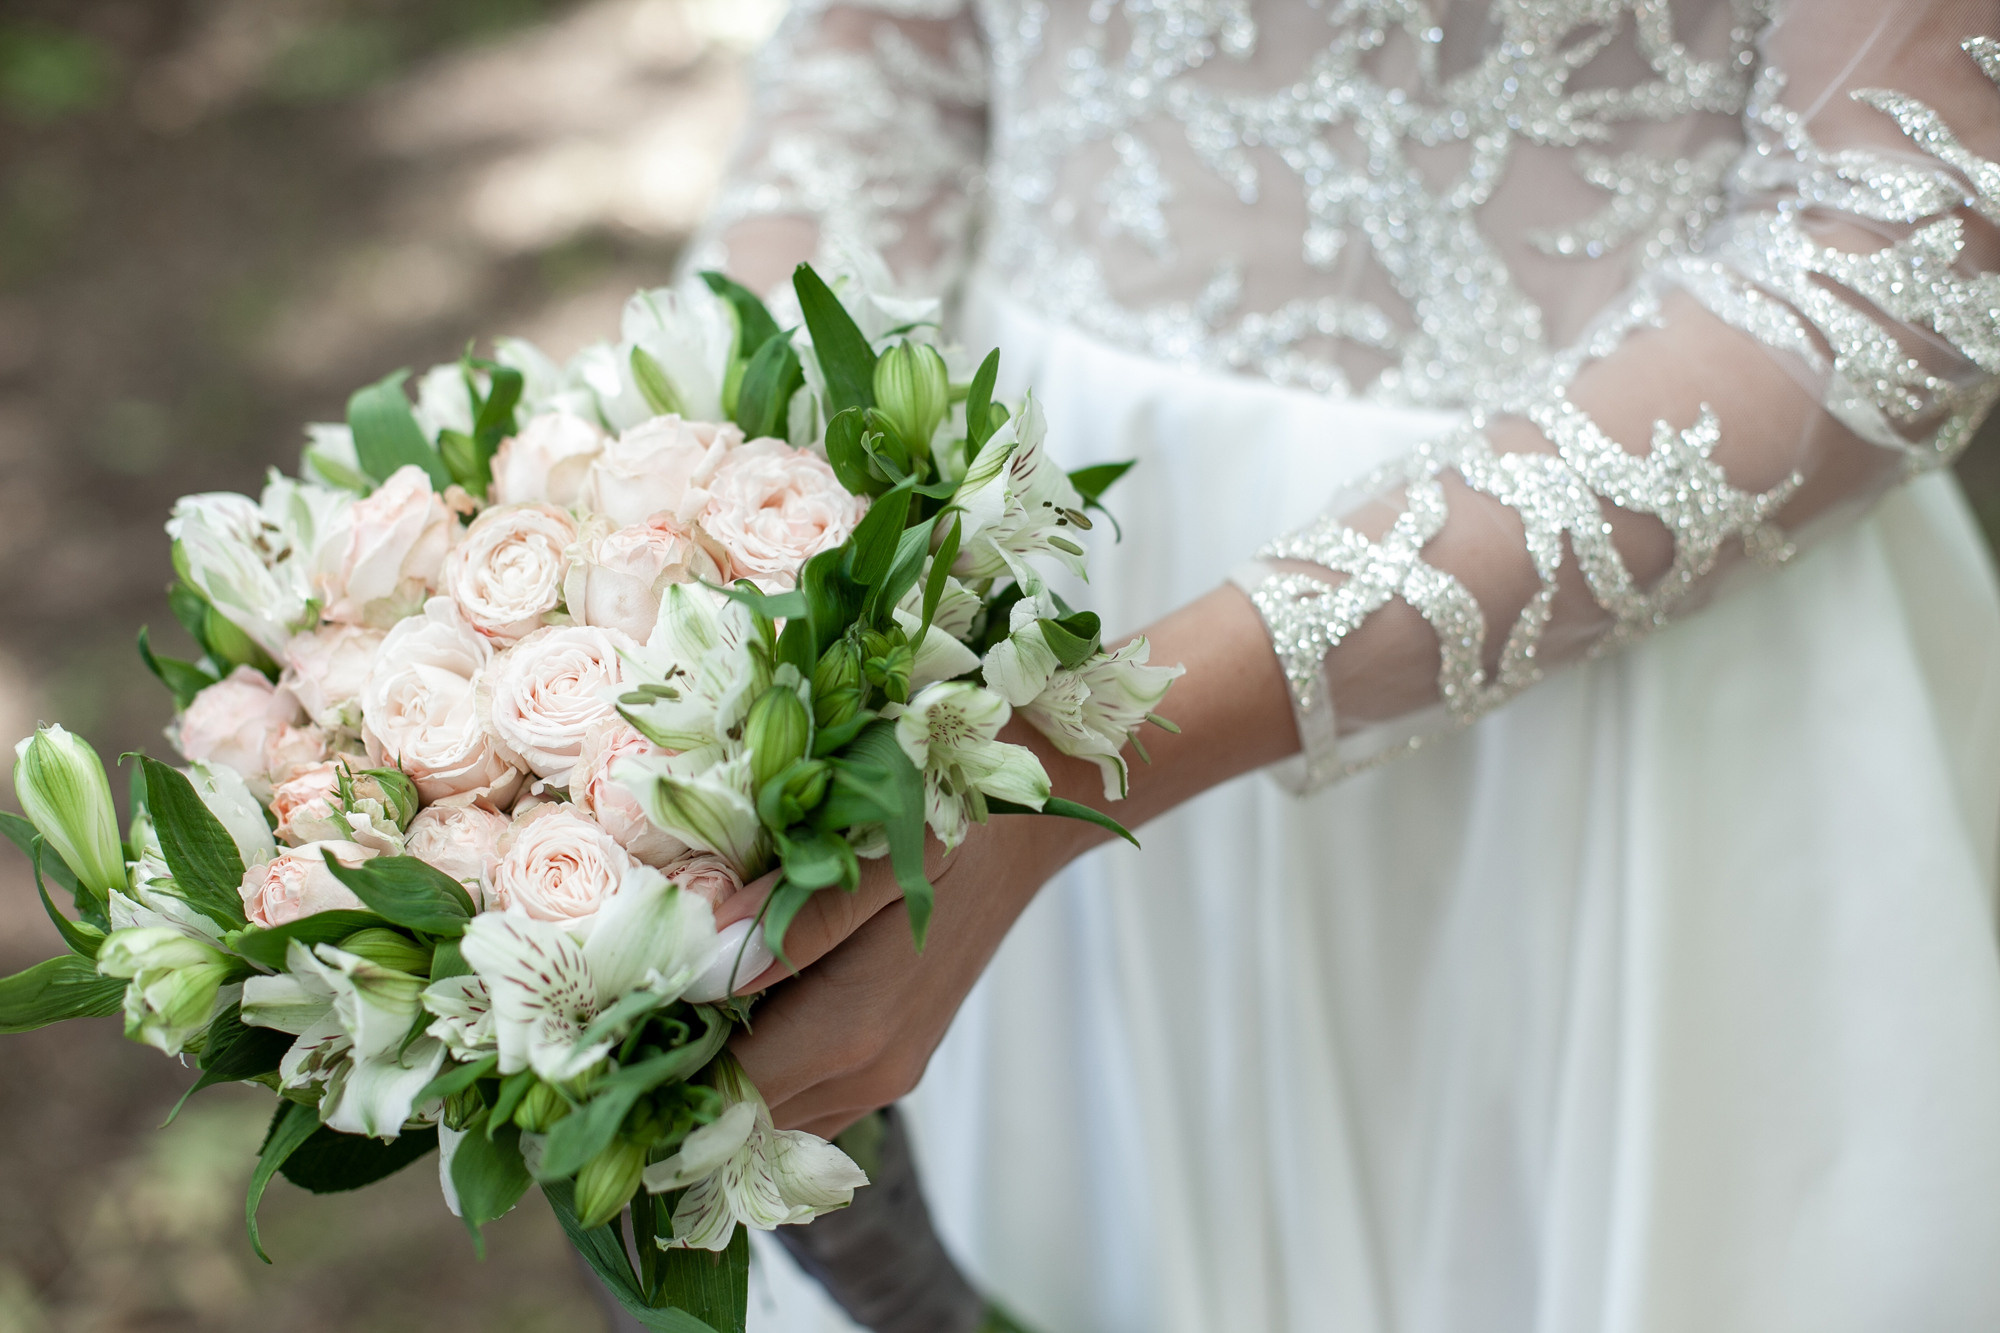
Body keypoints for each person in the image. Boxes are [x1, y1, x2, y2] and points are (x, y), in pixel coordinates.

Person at [686, 1, 2000, 1329]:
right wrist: (730, 489)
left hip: (1596, 651)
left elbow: (1907, 243)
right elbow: (887, 52)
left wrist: (1074, 754)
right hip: (1024, 579)